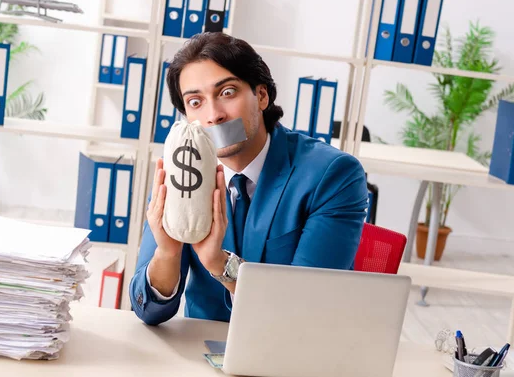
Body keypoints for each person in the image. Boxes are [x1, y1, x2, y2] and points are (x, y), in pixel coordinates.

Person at [129, 32, 369, 326]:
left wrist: (219, 263)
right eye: (195, 102)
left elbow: (304, 310)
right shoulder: (183, 173)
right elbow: (149, 311)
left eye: (227, 92)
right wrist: (167, 252)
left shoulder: (332, 175)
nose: (213, 115)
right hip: (199, 354)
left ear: (262, 95)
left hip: (291, 355)